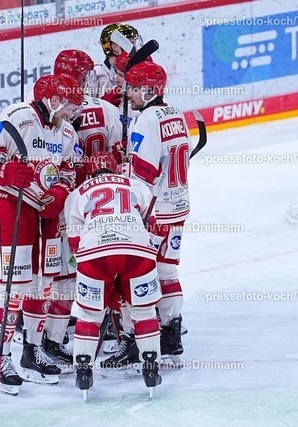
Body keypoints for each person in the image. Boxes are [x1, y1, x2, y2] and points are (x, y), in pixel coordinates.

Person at [0, 74, 83, 395]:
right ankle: (0, 358)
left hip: (47, 212)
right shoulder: (16, 117)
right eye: (69, 104)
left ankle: (32, 351)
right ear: (52, 99)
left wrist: (61, 192)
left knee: (44, 284)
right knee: (13, 287)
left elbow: (69, 170)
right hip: (12, 206)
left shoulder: (67, 131)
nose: (73, 111)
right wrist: (4, 170)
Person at [39, 49, 124, 368]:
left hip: (60, 205)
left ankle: (45, 333)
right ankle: (115, 326)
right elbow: (121, 157)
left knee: (58, 275)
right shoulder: (106, 109)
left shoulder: (48, 111)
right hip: (101, 206)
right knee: (105, 268)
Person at [64, 151, 162, 397]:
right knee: (144, 312)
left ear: (90, 173)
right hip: (137, 250)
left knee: (89, 315)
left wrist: (104, 282)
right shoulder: (135, 185)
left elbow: (75, 242)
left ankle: (84, 372)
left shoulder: (77, 193)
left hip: (95, 252)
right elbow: (152, 225)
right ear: (116, 169)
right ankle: (151, 368)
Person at [111, 61, 190, 364]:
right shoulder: (176, 114)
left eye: (133, 88)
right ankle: (171, 334)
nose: (128, 93)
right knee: (167, 271)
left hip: (153, 213)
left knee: (132, 273)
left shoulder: (145, 120)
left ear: (149, 90)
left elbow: (143, 175)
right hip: (177, 208)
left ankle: (136, 338)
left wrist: (122, 169)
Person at [90, 23, 141, 98]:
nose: (135, 48)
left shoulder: (134, 71)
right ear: (115, 47)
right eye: (131, 43)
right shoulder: (95, 75)